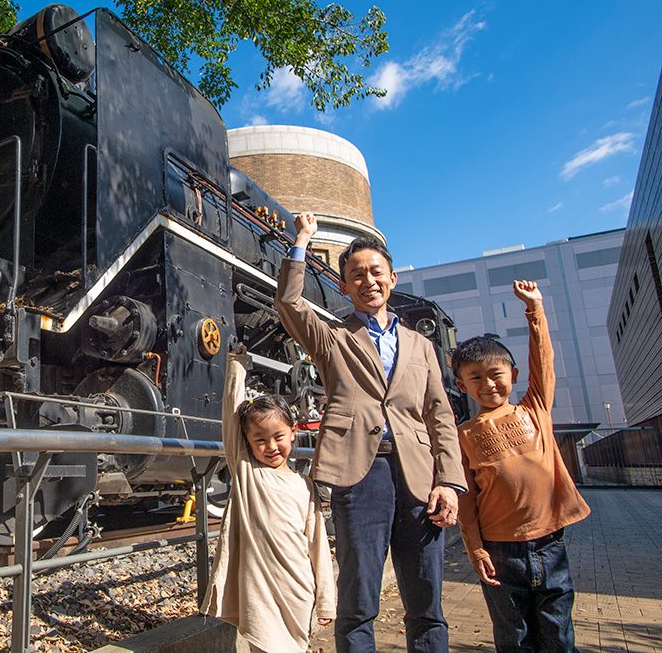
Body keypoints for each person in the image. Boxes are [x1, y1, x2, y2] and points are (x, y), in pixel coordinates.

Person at [274, 214, 467, 653]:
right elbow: (288, 302)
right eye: (357, 275)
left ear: (392, 278)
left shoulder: (422, 346)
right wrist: (302, 240)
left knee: (427, 600)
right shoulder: (333, 338)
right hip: (361, 474)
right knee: (358, 599)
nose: (368, 281)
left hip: (419, 477)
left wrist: (450, 482)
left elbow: (439, 416)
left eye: (376, 272)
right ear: (344, 286)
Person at [453, 280, 590, 653]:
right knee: (514, 638)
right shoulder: (463, 436)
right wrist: (475, 549)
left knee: (558, 634)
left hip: (550, 544)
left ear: (512, 375)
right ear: (462, 385)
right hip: (499, 551)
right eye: (475, 377)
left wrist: (535, 309)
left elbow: (543, 360)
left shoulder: (535, 409)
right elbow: (466, 500)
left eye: (495, 373)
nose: (488, 384)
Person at [200, 346, 336, 653]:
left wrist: (326, 600)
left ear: (293, 433)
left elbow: (318, 546)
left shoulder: (306, 486)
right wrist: (236, 366)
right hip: (260, 590)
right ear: (247, 442)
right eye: (259, 440)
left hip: (298, 590)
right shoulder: (247, 472)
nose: (271, 446)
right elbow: (231, 419)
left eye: (278, 437)